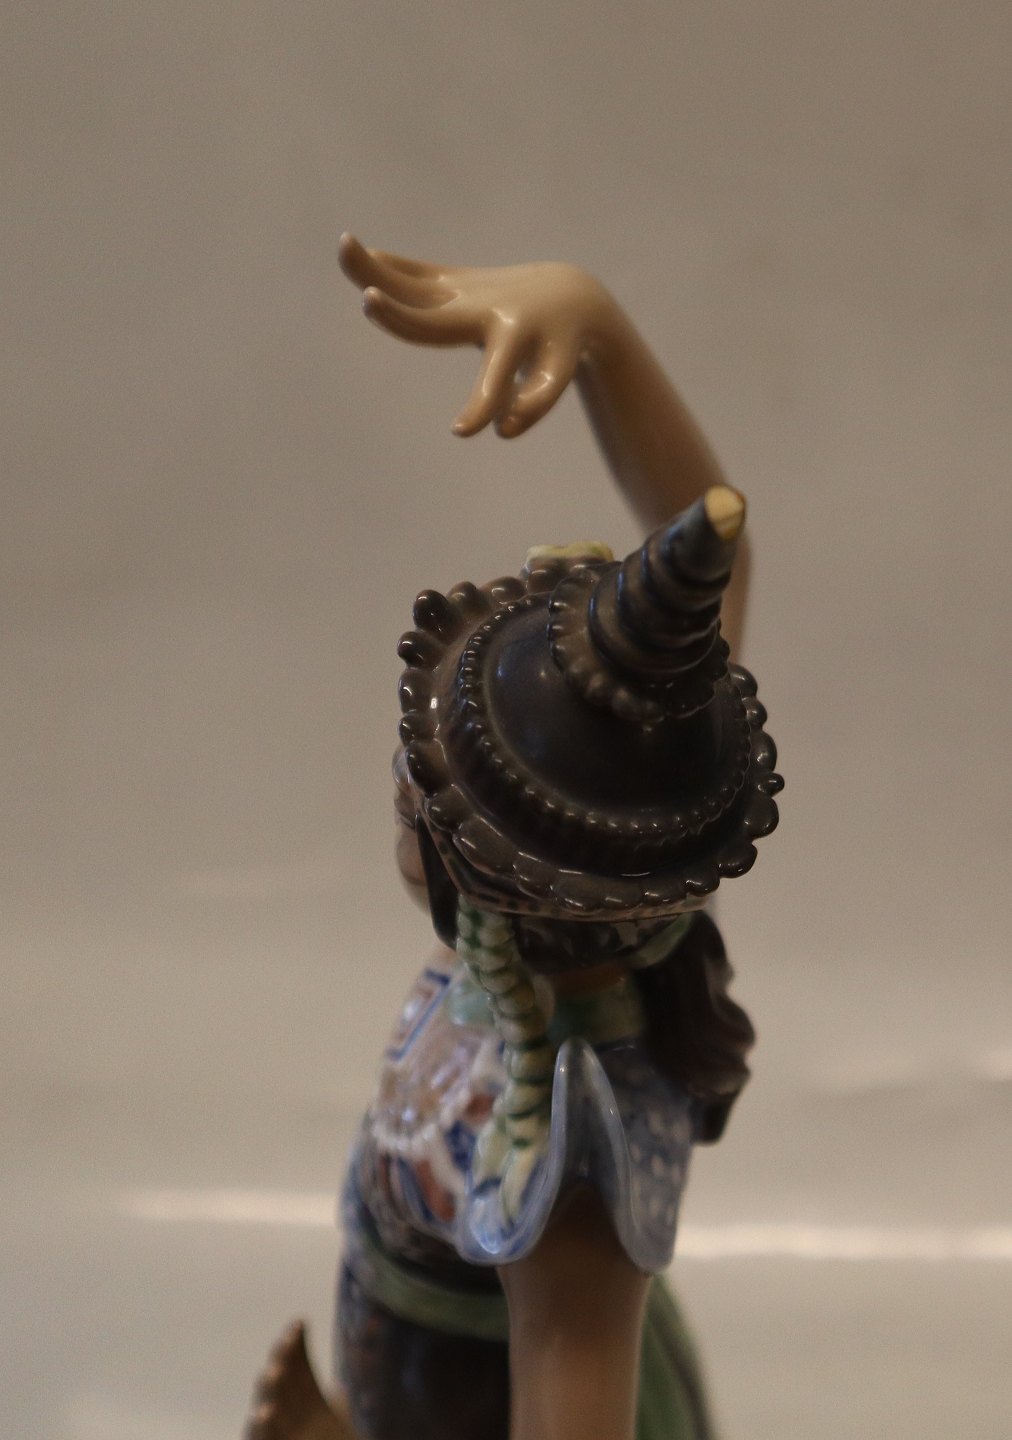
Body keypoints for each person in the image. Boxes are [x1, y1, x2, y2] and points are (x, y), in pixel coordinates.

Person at [246, 239, 782, 1440]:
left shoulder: (567, 1167)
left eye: (420, 795)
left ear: (494, 884)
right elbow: (717, 540)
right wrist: (597, 326)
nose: (401, 782)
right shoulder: (617, 888)